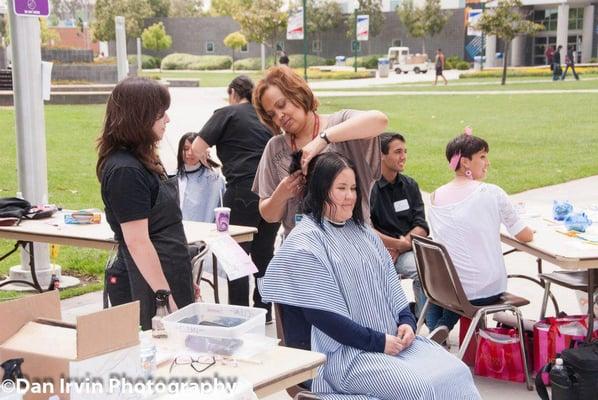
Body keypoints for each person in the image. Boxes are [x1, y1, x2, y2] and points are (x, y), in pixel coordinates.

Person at [260, 152, 481, 399]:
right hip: (341, 357)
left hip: (391, 344)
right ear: (321, 190)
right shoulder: (304, 244)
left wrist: (407, 322)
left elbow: (393, 289)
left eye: (353, 188)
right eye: (341, 188)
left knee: (457, 372)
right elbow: (323, 317)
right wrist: (378, 342)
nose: (350, 196)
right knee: (417, 388)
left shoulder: (365, 235)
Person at [97, 77, 195, 330]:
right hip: (151, 282)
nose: (168, 120)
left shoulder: (142, 158)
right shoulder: (125, 170)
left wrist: (182, 280)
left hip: (169, 269)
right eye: (161, 114)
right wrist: (165, 296)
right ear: (139, 117)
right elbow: (138, 241)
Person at [252, 66, 387, 238]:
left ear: (298, 93)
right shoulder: (275, 147)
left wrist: (322, 140)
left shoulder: (339, 124)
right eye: (272, 114)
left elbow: (379, 120)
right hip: (302, 252)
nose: (280, 116)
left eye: (282, 104)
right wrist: (282, 194)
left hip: (352, 246)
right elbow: (269, 215)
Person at [426, 129, 534, 342]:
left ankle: (437, 330)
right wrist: (530, 230)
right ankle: (439, 329)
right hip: (483, 289)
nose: (488, 162)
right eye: (483, 157)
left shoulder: (435, 196)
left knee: (455, 290)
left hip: (442, 287)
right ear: (465, 162)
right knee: (468, 287)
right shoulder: (491, 192)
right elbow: (524, 235)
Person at [191, 76, 280, 321]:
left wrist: (210, 160)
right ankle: (264, 309)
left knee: (236, 254)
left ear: (232, 92)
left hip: (242, 189)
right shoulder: (267, 118)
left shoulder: (227, 113)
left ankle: (239, 313)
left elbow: (196, 148)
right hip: (273, 191)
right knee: (264, 254)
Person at [370, 133, 428, 318]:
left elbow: (422, 225)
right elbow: (364, 229)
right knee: (422, 270)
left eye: (405, 151)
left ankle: (418, 318)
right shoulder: (369, 188)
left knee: (432, 270)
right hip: (379, 253)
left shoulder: (410, 185)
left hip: (406, 249)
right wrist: (395, 245)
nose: (403, 156)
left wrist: (402, 246)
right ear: (381, 155)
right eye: (397, 152)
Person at [176, 132, 225, 222]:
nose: (190, 153)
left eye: (194, 149)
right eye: (185, 149)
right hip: (177, 233)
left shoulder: (215, 179)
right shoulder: (173, 179)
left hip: (206, 233)